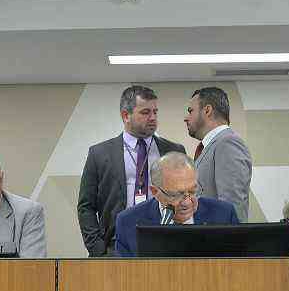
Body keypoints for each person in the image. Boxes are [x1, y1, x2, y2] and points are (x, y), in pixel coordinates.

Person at [78, 85, 186, 256]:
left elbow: (185, 197)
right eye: (145, 112)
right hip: (116, 246)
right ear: (125, 115)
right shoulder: (100, 154)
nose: (153, 118)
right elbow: (86, 206)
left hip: (165, 243)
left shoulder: (174, 151)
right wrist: (98, 250)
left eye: (155, 112)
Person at [115, 152, 239, 256]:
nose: (186, 202)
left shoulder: (224, 214)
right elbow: (127, 276)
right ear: (155, 191)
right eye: (176, 195)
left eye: (192, 191)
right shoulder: (128, 221)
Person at [184, 87, 252, 222]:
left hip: (219, 240)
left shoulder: (228, 143)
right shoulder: (210, 147)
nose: (186, 118)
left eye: (191, 111)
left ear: (207, 110)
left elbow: (232, 206)